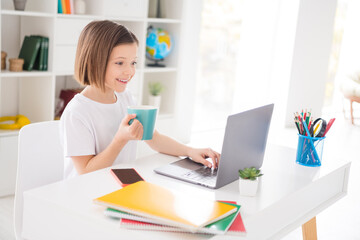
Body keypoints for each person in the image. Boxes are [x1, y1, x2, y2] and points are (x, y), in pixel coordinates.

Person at [59, 20, 220, 179]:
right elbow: (86, 172)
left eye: (133, 62)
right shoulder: (77, 112)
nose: (129, 71)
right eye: (120, 63)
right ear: (94, 62)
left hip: (117, 187)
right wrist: (120, 139)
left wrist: (189, 151)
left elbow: (154, 138)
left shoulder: (126, 98)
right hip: (84, 193)